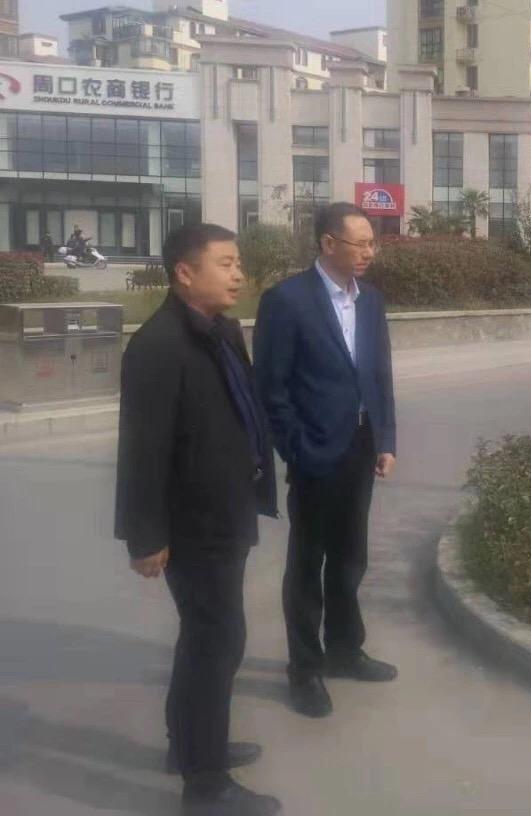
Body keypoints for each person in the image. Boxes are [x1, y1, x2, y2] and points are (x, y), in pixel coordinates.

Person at [114, 223, 281, 816]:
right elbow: (142, 449)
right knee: (217, 641)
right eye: (226, 263)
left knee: (207, 639)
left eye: (238, 263)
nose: (239, 274)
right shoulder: (158, 345)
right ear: (185, 272)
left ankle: (188, 746)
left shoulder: (220, 331)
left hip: (226, 509)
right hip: (192, 524)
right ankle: (205, 783)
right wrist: (145, 536)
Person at [254, 202, 397, 719]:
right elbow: (271, 388)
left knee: (350, 556)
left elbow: (379, 374)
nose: (369, 252)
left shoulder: (371, 300)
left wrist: (385, 439)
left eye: (372, 243)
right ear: (328, 243)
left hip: (360, 447)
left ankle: (344, 649)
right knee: (307, 562)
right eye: (360, 243)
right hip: (314, 452)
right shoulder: (287, 301)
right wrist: (296, 448)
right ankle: (305, 669)